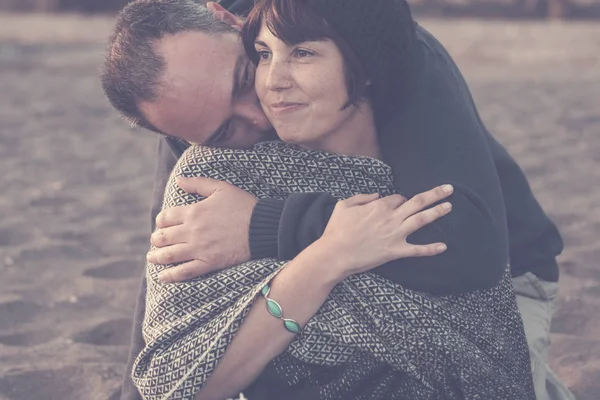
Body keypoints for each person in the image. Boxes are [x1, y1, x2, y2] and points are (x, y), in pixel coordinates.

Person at [100, 1, 572, 399]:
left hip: (504, 268)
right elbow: (170, 266)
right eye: (226, 131)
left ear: (229, 20)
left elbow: (465, 247)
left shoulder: (377, 47)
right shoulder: (195, 131)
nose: (261, 113)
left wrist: (265, 226)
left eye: (246, 77)